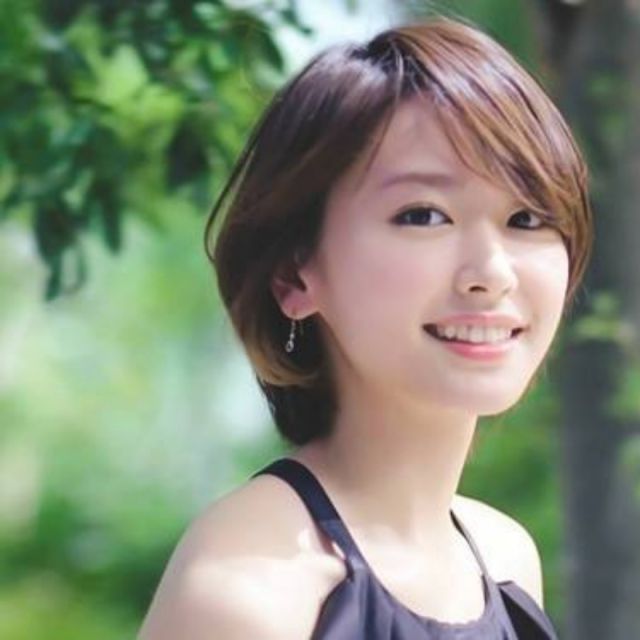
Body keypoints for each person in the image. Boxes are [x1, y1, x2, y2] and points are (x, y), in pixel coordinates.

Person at [138, 14, 592, 640]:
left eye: (528, 218)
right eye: (424, 215)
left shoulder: (503, 557)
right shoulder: (249, 592)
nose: (492, 273)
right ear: (294, 274)